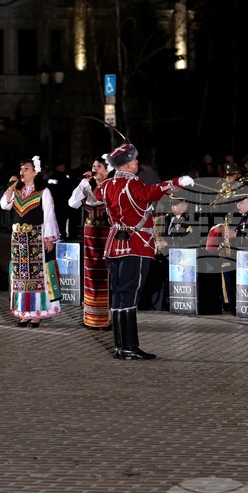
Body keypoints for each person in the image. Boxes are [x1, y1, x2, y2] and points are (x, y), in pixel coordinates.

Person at [95, 142, 194, 360]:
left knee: (119, 295)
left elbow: (92, 197)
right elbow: (152, 192)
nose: (137, 162)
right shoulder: (133, 183)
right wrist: (178, 182)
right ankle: (129, 347)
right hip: (135, 245)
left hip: (114, 245)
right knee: (130, 296)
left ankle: (120, 346)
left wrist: (98, 178)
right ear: (128, 164)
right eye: (134, 160)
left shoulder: (107, 185)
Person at [0, 156, 62, 327]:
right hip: (18, 240)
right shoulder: (17, 190)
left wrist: (49, 238)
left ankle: (37, 313)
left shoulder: (43, 192)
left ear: (35, 172)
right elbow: (4, 205)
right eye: (21, 169)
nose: (22, 172)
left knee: (36, 275)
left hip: (36, 238)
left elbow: (49, 215)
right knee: (20, 275)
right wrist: (11, 188)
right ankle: (24, 312)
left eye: (26, 168)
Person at [69, 157, 110, 329]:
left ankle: (106, 318)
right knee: (90, 273)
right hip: (91, 232)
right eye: (94, 166)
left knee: (106, 273)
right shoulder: (87, 185)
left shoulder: (111, 185)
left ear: (107, 170)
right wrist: (83, 184)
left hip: (107, 232)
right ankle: (91, 318)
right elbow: (72, 203)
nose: (95, 169)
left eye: (99, 166)